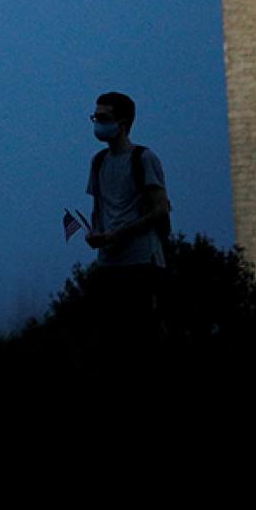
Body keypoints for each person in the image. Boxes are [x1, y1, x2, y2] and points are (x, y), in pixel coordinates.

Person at [83, 91, 170, 347]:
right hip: (108, 264)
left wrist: (117, 235)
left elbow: (160, 209)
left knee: (141, 336)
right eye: (95, 117)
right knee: (110, 338)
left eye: (103, 117)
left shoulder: (143, 159)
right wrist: (95, 233)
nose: (98, 123)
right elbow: (98, 209)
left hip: (141, 262)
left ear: (122, 123)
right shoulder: (98, 162)